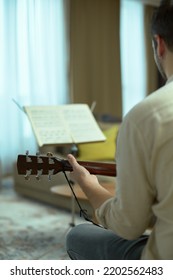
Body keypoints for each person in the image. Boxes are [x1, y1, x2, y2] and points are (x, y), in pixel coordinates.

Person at [66, 1, 173, 260]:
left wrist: (89, 185)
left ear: (159, 44)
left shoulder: (146, 116)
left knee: (77, 236)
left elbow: (129, 225)